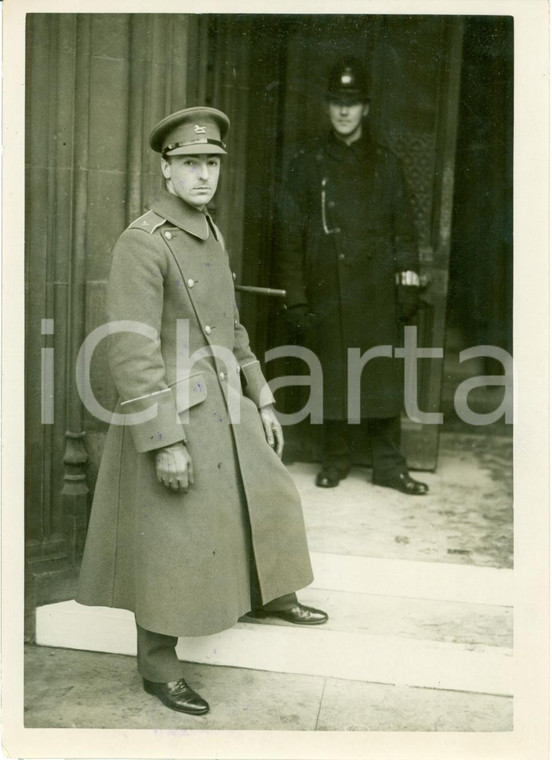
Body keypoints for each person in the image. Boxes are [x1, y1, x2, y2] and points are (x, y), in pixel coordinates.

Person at [76, 106, 327, 716]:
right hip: (175, 410)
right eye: (190, 164)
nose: (203, 176)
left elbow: (230, 326)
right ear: (166, 171)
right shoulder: (142, 243)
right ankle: (158, 667)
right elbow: (132, 354)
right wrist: (164, 441)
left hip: (222, 398)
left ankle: (268, 592)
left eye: (211, 163)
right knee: (173, 540)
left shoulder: (209, 230)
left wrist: (261, 395)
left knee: (267, 490)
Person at [276, 57, 429, 496]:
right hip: (328, 291)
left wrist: (407, 286)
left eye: (353, 102)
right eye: (336, 102)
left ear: (366, 108)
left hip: (376, 293)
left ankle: (389, 466)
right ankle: (335, 459)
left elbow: (405, 233)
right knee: (333, 375)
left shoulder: (386, 165)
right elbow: (289, 241)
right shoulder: (306, 167)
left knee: (380, 376)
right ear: (327, 107)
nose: (344, 111)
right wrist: (298, 298)